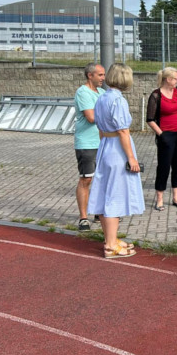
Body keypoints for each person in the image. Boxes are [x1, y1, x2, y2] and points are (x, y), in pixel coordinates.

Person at [87, 63, 143, 258]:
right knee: (115, 195)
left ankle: (110, 238)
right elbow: (123, 130)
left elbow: (101, 129)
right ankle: (110, 245)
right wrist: (131, 158)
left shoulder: (101, 97)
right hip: (117, 149)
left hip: (105, 146)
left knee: (104, 193)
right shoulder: (118, 100)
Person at [146, 67, 177, 209]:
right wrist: (161, 134)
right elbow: (150, 119)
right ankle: (159, 198)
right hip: (166, 135)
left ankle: (176, 197)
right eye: (176, 78)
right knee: (164, 167)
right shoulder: (156, 95)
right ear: (168, 79)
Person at [73, 63, 105, 231]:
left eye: (104, 75)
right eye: (100, 75)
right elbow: (91, 117)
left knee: (102, 178)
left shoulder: (102, 92)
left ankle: (98, 212)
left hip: (103, 142)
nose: (103, 78)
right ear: (90, 75)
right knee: (87, 179)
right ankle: (83, 217)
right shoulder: (83, 92)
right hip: (87, 142)